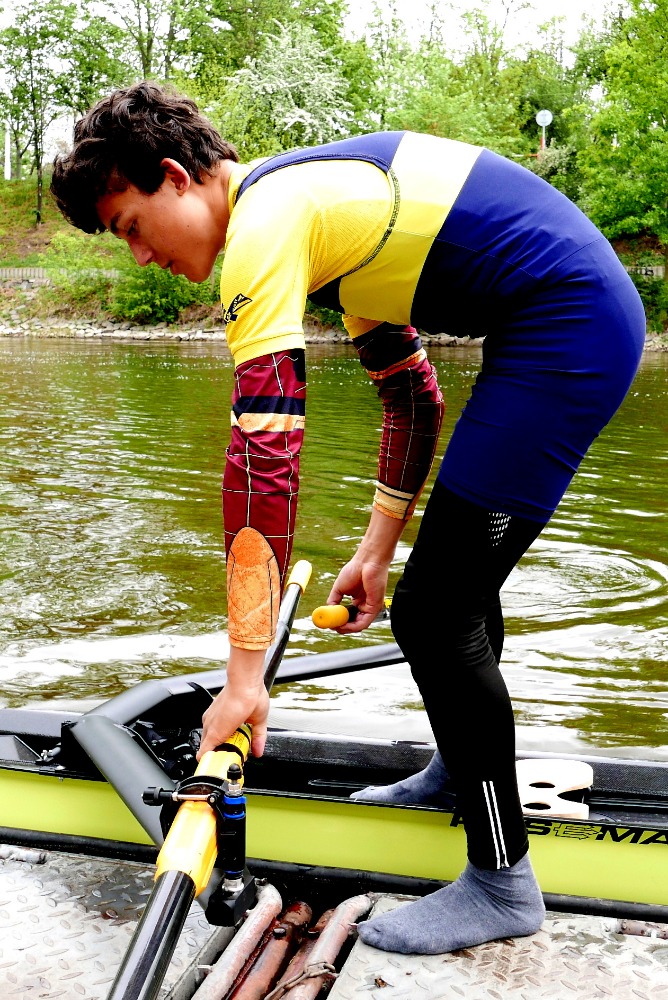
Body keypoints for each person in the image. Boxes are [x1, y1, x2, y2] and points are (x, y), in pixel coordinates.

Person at [50, 81, 646, 956]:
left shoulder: (268, 221)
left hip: (570, 326)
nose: (139, 256)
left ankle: (501, 881)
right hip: (558, 322)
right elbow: (411, 398)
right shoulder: (320, 218)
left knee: (436, 613)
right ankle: (462, 769)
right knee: (450, 590)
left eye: (131, 226)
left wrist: (244, 678)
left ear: (176, 177)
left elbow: (264, 461)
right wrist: (374, 550)